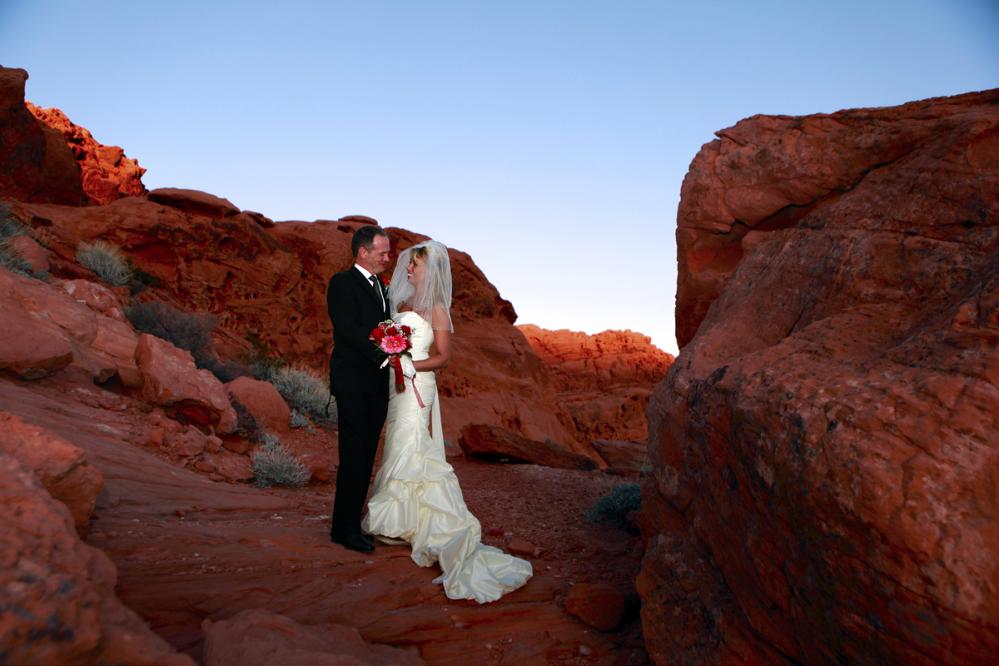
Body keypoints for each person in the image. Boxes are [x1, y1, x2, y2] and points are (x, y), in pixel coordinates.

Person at [362, 240, 533, 603]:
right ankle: (400, 520)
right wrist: (391, 354)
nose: (408, 269)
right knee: (396, 441)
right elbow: (390, 341)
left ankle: (411, 521)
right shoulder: (405, 304)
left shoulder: (438, 310)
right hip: (397, 385)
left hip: (418, 384)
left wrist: (409, 364)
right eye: (408, 266)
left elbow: (442, 357)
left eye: (415, 266)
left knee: (411, 441)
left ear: (431, 270)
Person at [327, 226, 391, 553]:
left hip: (377, 384)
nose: (387, 257)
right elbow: (348, 330)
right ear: (363, 252)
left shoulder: (382, 286)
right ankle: (343, 529)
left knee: (366, 454)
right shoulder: (342, 283)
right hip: (352, 381)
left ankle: (351, 522)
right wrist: (387, 350)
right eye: (382, 252)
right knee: (353, 453)